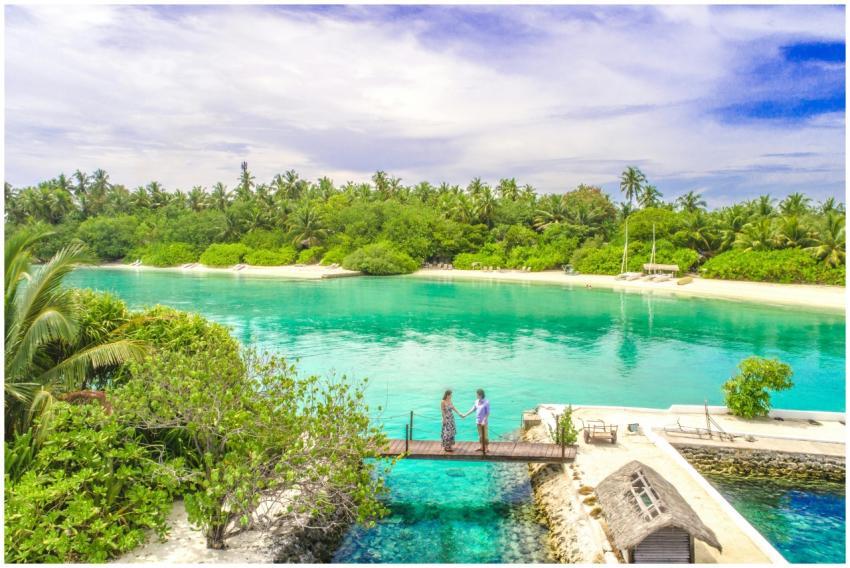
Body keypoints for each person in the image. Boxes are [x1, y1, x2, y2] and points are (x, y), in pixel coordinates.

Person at [463, 389, 490, 453]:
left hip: (484, 422)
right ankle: (481, 447)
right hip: (478, 421)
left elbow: (488, 413)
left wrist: (484, 420)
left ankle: (486, 448)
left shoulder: (486, 402)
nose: (476, 395)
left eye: (477, 394)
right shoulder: (476, 401)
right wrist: (465, 415)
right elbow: (473, 409)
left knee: (485, 435)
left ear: (480, 395)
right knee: (480, 435)